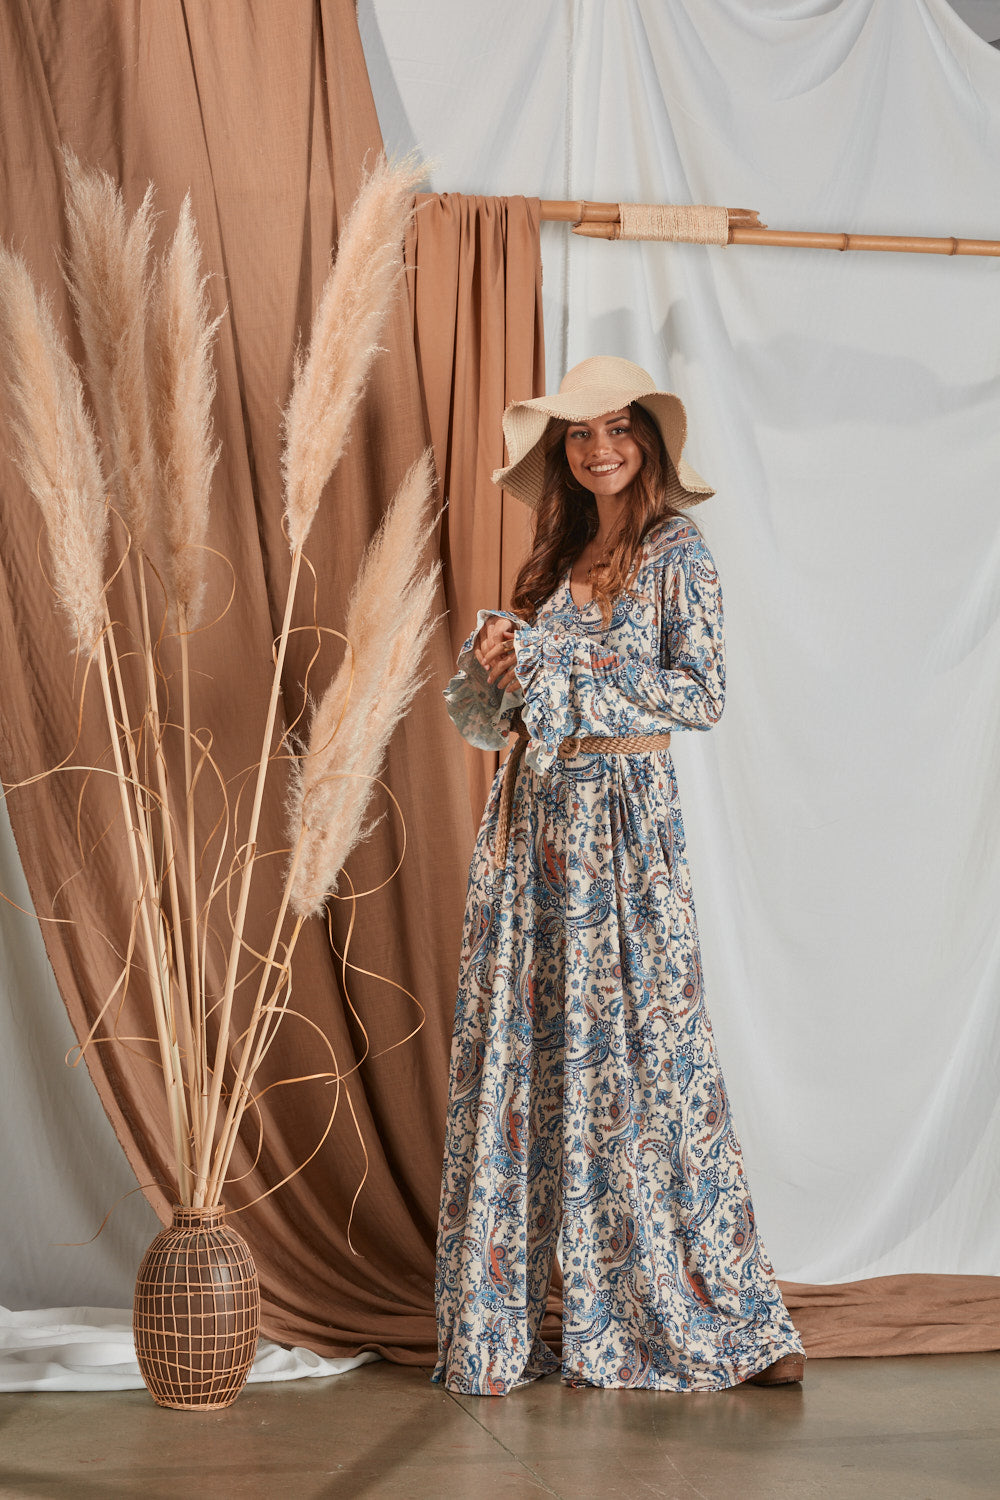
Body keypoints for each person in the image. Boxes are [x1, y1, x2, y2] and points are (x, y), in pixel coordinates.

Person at [433, 356, 804, 1394]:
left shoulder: (678, 552)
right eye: (580, 434)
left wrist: (560, 663)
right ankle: (511, 1318)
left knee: (650, 1055)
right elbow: (506, 714)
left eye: (618, 428)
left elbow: (699, 694)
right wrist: (503, 661)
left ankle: (713, 1313)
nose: (600, 448)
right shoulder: (557, 556)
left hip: (626, 831)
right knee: (532, 1052)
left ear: (648, 439)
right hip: (533, 825)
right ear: (563, 453)